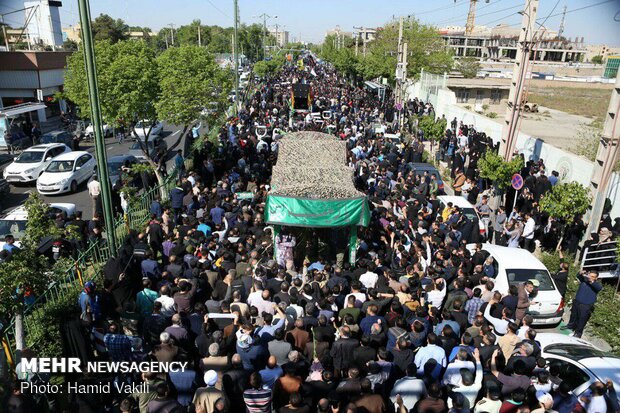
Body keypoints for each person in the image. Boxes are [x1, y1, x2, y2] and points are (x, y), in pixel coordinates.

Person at [563, 270, 602, 338]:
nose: (590, 277)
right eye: (590, 275)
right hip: (577, 302)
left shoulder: (596, 284)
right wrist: (580, 273)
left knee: (582, 319)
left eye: (593, 277)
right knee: (573, 315)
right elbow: (578, 276)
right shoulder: (584, 280)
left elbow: (599, 288)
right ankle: (570, 326)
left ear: (596, 278)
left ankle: (578, 333)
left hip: (586, 305)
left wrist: (591, 281)